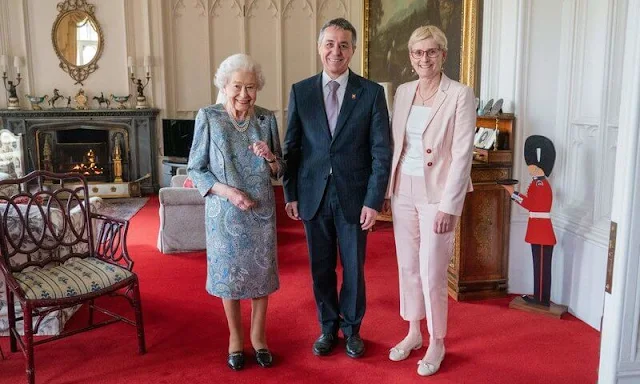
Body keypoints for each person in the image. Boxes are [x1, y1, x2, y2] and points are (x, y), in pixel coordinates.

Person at [282, 18, 391, 359]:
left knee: (355, 269)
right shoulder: (301, 91)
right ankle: (328, 327)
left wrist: (374, 201)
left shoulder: (372, 93)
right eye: (329, 44)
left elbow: (380, 151)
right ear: (319, 48)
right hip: (313, 197)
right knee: (320, 267)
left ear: (353, 50)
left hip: (355, 198)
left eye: (344, 45)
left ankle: (353, 329)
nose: (336, 51)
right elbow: (291, 148)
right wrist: (291, 194)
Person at [383, 25, 475, 376]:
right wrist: (389, 191)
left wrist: (450, 206)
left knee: (432, 270)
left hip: (438, 192)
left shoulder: (460, 94)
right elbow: (398, 145)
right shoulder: (404, 92)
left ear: (443, 55)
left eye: (431, 52)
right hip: (403, 187)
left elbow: (462, 153)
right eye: (418, 53)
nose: (425, 58)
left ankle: (437, 341)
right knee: (407, 266)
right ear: (411, 58)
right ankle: (413, 332)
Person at [187, 53, 284, 371]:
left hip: (260, 213)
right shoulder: (209, 117)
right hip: (224, 213)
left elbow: (279, 170)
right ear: (225, 86)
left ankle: (259, 337)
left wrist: (270, 156)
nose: (245, 94)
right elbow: (196, 169)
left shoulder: (266, 119)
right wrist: (228, 192)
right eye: (238, 86)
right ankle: (235, 338)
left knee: (260, 277)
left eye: (251, 87)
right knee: (228, 278)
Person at [501, 135, 557, 307]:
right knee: (539, 266)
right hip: (538, 229)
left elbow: (532, 204)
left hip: (541, 231)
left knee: (541, 267)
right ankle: (539, 296)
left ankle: (541, 299)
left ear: (540, 168)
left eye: (532, 167)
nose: (530, 170)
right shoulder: (538, 183)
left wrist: (513, 193)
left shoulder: (541, 185)